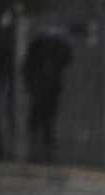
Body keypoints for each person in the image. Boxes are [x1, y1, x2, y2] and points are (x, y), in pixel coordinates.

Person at [22, 28, 72, 163]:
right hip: (43, 89)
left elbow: (66, 60)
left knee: (44, 118)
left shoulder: (51, 52)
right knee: (43, 118)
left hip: (46, 90)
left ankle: (42, 148)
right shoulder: (45, 52)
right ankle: (41, 148)